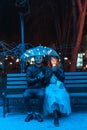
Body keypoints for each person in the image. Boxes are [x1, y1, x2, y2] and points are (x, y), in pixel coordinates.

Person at [43, 56, 71, 127]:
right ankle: (55, 117)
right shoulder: (47, 68)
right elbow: (46, 79)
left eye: (55, 60)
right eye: (52, 60)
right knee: (51, 96)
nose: (53, 61)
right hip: (50, 86)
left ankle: (58, 111)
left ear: (57, 61)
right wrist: (52, 71)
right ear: (50, 61)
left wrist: (56, 71)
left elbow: (62, 78)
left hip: (59, 85)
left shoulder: (60, 68)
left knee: (61, 95)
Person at [24, 55, 50, 122]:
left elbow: (47, 80)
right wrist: (37, 78)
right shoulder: (30, 68)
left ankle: (37, 114)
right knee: (25, 95)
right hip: (30, 88)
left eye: (40, 58)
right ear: (34, 59)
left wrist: (45, 78)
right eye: (37, 58)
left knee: (42, 95)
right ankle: (30, 114)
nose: (38, 59)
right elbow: (28, 80)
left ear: (42, 59)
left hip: (39, 88)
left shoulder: (44, 68)